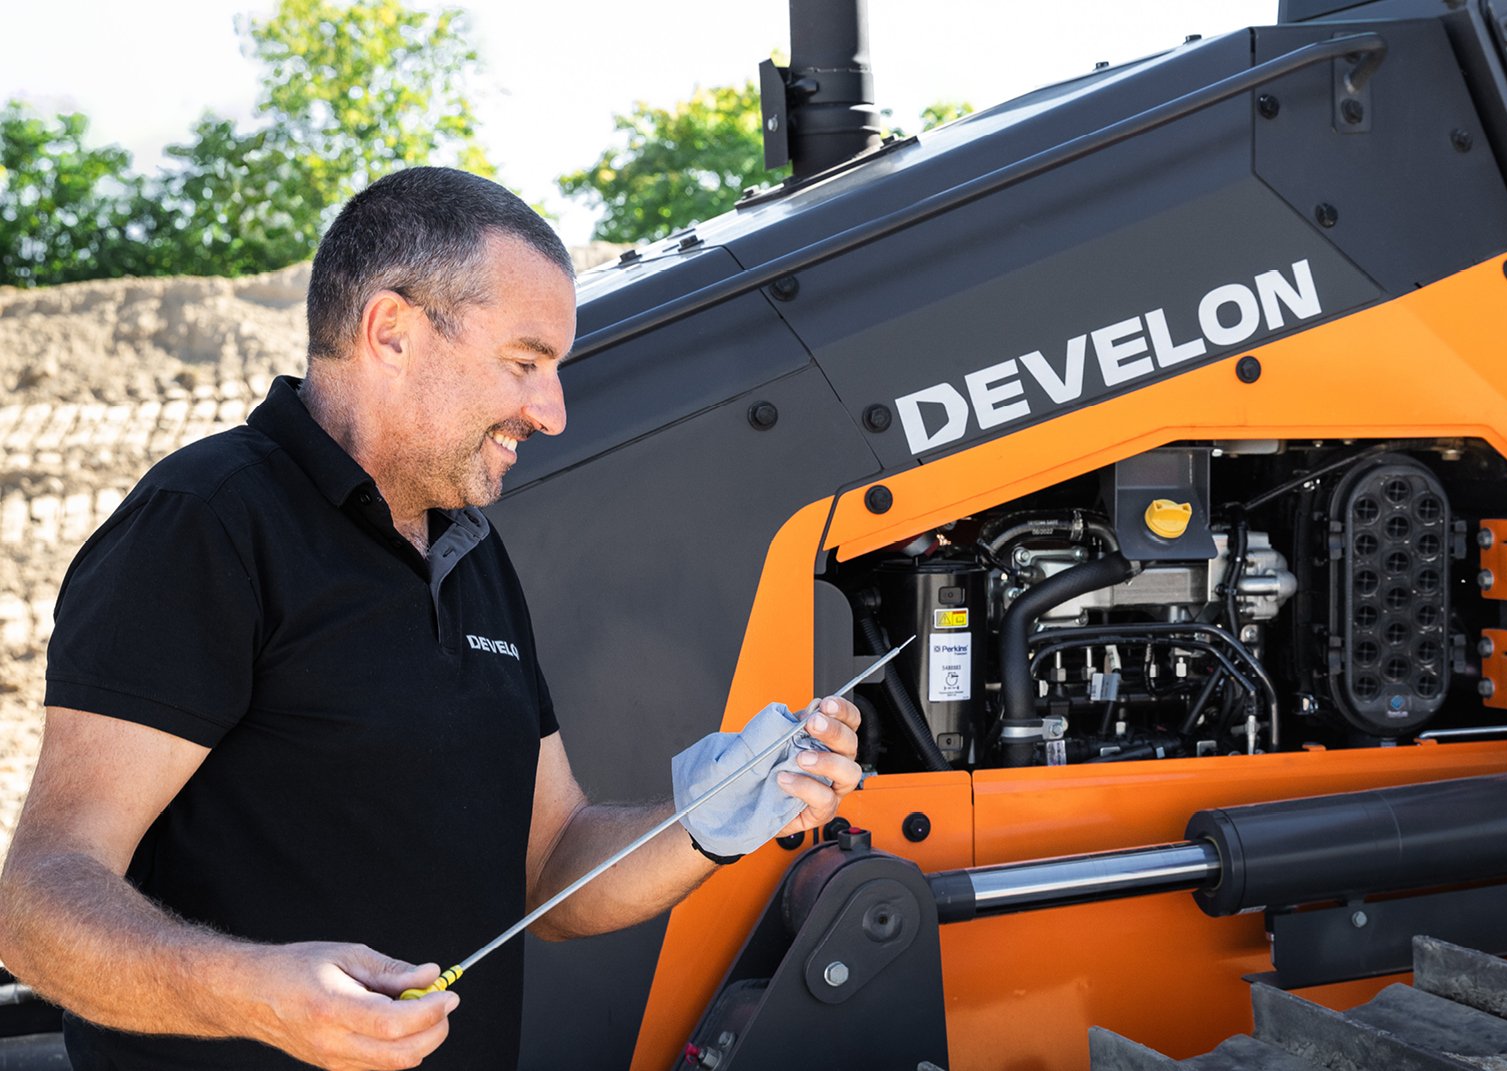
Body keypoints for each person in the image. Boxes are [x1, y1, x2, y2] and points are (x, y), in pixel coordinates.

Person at [0, 167, 862, 1070]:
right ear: (392, 330)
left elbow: (551, 870)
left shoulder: (470, 551)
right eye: (525, 362)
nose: (552, 411)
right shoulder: (209, 522)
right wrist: (259, 995)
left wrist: (702, 819)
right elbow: (39, 903)